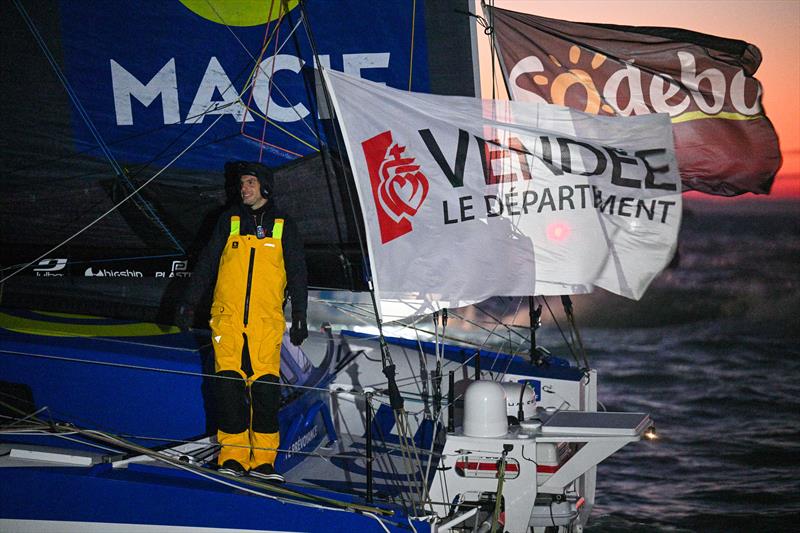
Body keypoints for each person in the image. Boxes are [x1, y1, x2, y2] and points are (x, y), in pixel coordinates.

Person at [177, 161, 308, 483]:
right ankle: (232, 456)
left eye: (250, 182)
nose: (244, 188)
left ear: (265, 186)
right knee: (228, 388)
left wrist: (301, 315)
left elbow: (298, 271)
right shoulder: (229, 221)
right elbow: (207, 263)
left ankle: (264, 462)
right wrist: (188, 302)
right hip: (228, 318)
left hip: (265, 320)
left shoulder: (282, 224)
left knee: (264, 390)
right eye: (242, 183)